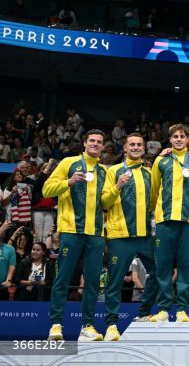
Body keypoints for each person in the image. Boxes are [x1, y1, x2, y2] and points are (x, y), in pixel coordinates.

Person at [44, 129, 108, 341]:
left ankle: (87, 326)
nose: (95, 144)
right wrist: (68, 183)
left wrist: (116, 189)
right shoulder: (68, 163)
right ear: (84, 142)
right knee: (62, 278)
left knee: (92, 282)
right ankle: (55, 325)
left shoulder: (104, 171)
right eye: (92, 140)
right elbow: (47, 189)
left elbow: (106, 203)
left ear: (103, 146)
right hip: (72, 231)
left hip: (96, 233)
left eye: (99, 142)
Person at [100, 133, 158, 340]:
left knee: (160, 273)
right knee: (115, 281)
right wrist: (117, 187)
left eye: (139, 145)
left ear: (144, 148)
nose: (135, 147)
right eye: (131, 144)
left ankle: (143, 313)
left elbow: (153, 203)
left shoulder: (150, 173)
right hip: (120, 236)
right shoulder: (113, 171)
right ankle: (111, 325)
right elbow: (104, 202)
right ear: (124, 148)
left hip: (145, 235)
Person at [150, 124, 189, 323]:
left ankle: (182, 309)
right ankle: (164, 308)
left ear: (188, 139)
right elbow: (154, 189)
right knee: (164, 265)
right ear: (170, 139)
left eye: (182, 136)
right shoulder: (161, 160)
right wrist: (156, 212)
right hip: (165, 219)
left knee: (185, 265)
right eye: (175, 136)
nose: (179, 139)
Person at [0, 221, 17, 301]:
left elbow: (12, 265)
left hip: (2, 288)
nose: (3, 230)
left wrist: (8, 280)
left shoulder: (10, 248)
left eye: (4, 229)